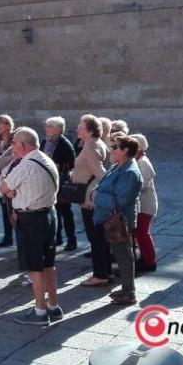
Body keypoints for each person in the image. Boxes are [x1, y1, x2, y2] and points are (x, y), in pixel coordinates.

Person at [0, 127, 62, 325]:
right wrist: (11, 190)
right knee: (49, 264)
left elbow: (4, 187)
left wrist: (10, 190)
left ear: (23, 144)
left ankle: (40, 311)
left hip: (32, 219)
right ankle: (53, 306)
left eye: (14, 143)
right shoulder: (45, 159)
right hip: (49, 215)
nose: (12, 146)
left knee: (35, 267)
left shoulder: (26, 165)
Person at [92, 135, 143, 306]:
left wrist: (96, 196)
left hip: (119, 221)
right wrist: (96, 192)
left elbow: (119, 201)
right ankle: (126, 289)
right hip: (107, 218)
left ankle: (129, 292)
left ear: (125, 150)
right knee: (119, 255)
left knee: (124, 256)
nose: (111, 150)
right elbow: (104, 185)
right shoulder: (117, 166)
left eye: (115, 147)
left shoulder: (130, 172)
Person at [74, 115, 112, 287]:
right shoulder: (96, 143)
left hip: (91, 200)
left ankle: (100, 274)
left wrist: (96, 191)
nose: (77, 129)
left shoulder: (90, 146)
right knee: (99, 238)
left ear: (89, 131)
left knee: (95, 238)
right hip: (92, 197)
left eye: (81, 127)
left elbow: (101, 173)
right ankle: (105, 271)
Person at [41, 117, 77, 251]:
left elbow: (72, 164)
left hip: (61, 183)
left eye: (50, 126)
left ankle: (71, 240)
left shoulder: (64, 144)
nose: (47, 128)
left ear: (59, 129)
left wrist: (58, 166)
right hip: (48, 182)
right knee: (54, 211)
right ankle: (58, 238)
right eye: (47, 126)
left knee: (66, 212)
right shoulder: (44, 142)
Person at [129, 133, 158, 273]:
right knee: (140, 233)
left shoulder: (142, 162)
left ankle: (150, 261)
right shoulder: (138, 160)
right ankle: (145, 257)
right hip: (143, 203)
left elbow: (144, 184)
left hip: (146, 204)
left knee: (142, 233)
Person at [0, 114, 16, 248]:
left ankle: (18, 234)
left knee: (14, 208)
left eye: (0, 123)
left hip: (12, 176)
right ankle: (8, 236)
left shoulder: (15, 138)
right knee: (5, 209)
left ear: (8, 125)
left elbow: (14, 157)